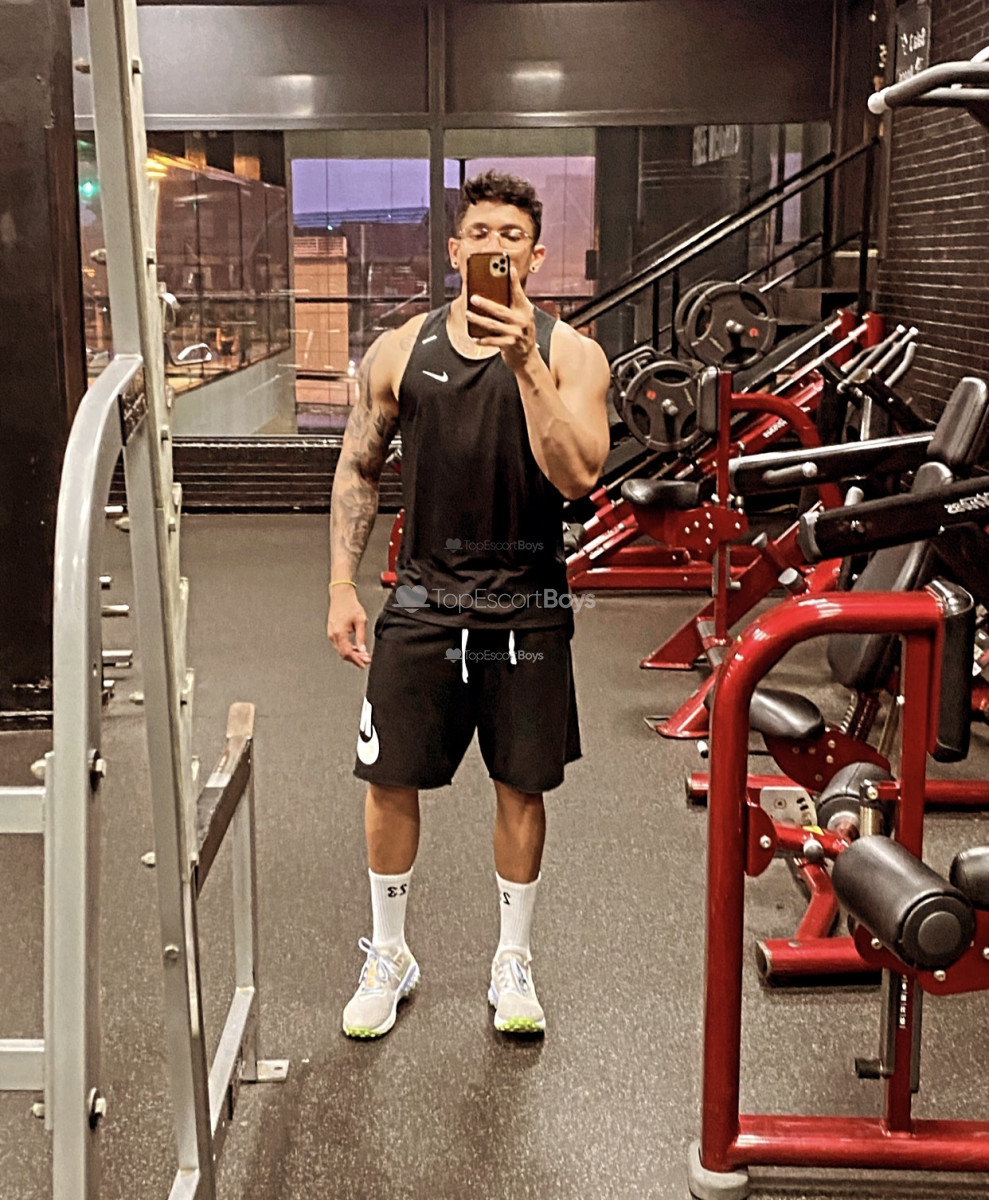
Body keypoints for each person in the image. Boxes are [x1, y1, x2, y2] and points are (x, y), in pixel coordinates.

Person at [327, 170, 610, 1039]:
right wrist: (340, 584)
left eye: (511, 236)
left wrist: (524, 362)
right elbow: (357, 467)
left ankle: (512, 959)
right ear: (454, 250)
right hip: (421, 604)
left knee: (521, 785)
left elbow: (578, 476)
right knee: (388, 779)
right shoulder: (398, 349)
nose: (495, 247)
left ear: (536, 255)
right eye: (480, 233)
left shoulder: (571, 354)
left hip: (527, 608)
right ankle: (389, 953)